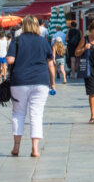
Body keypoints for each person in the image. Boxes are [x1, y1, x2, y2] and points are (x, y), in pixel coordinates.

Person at [6, 16, 56, 157]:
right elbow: (51, 64)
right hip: (41, 80)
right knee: (36, 114)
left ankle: (16, 147)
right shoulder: (43, 41)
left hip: (19, 81)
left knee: (18, 114)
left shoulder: (16, 40)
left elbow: (10, 59)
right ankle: (35, 148)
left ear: (23, 26)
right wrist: (52, 83)